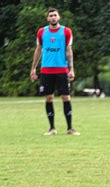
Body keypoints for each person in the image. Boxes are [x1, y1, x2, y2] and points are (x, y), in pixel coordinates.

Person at [30, 7, 80, 136]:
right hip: (46, 70)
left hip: (62, 70)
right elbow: (38, 49)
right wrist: (33, 68)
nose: (53, 17)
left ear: (59, 17)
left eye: (55, 15)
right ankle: (52, 128)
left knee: (65, 97)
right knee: (49, 98)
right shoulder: (41, 32)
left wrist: (71, 69)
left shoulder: (66, 32)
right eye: (50, 15)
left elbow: (69, 51)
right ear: (47, 18)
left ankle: (70, 128)